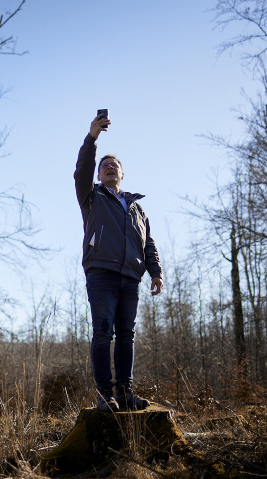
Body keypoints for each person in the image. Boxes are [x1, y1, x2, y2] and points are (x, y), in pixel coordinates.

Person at [74, 111, 164, 412]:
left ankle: (125, 392)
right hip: (101, 272)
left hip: (131, 278)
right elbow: (82, 170)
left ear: (122, 174)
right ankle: (105, 394)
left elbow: (148, 242)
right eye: (105, 166)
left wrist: (156, 272)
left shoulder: (137, 209)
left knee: (127, 335)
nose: (110, 168)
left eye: (115, 166)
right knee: (103, 332)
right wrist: (92, 138)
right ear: (99, 175)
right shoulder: (92, 197)